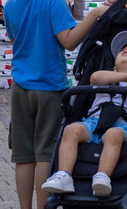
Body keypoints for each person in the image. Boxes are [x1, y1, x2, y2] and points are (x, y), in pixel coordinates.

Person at [4, 0, 103, 209]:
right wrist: (93, 15)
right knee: (45, 153)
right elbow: (69, 41)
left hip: (20, 87)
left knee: (23, 155)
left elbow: (13, 37)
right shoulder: (53, 1)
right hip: (49, 87)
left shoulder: (11, 3)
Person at [43, 30, 127, 199]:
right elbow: (95, 78)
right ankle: (63, 175)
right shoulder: (105, 75)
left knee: (113, 134)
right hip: (93, 122)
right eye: (123, 48)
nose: (126, 49)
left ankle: (102, 176)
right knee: (71, 129)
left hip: (121, 124)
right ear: (114, 66)